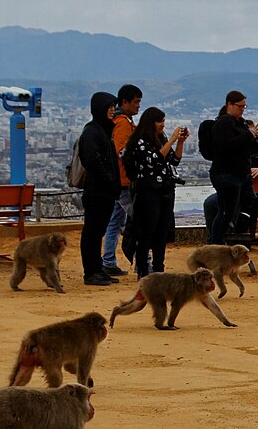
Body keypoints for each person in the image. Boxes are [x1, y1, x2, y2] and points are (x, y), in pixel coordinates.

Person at [122, 107, 188, 276]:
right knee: (146, 232)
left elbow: (174, 160)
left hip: (165, 190)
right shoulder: (140, 141)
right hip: (148, 191)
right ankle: (143, 272)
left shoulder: (161, 138)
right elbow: (154, 160)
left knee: (161, 233)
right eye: (160, 121)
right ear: (150, 123)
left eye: (164, 121)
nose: (162, 125)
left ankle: (159, 270)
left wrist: (180, 142)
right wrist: (172, 139)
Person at [205, 91, 258, 246]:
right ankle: (216, 245)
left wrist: (251, 139)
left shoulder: (239, 123)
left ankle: (226, 239)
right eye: (240, 106)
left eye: (244, 106)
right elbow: (227, 146)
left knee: (239, 208)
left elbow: (247, 148)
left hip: (241, 174)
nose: (242, 109)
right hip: (227, 174)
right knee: (225, 213)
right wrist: (248, 136)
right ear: (229, 104)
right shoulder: (223, 123)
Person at [78, 92, 123, 285]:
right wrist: (108, 180)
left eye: (114, 107)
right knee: (92, 232)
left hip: (105, 192)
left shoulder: (103, 131)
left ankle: (98, 269)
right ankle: (91, 272)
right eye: (109, 107)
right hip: (96, 192)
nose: (113, 111)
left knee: (98, 232)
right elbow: (92, 160)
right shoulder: (92, 131)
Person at [102, 84, 143, 275]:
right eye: (135, 102)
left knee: (114, 222)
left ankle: (108, 260)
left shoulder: (119, 121)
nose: (138, 106)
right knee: (139, 220)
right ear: (125, 102)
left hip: (116, 180)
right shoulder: (123, 123)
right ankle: (144, 262)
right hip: (124, 181)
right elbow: (121, 150)